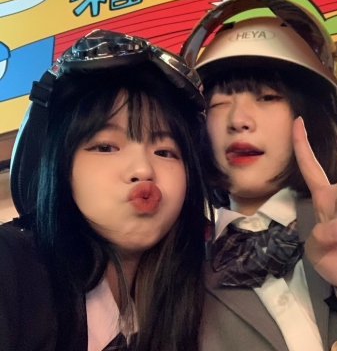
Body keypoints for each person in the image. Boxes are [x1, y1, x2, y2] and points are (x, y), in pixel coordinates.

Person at [181, 0, 337, 350]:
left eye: (267, 97)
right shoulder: (176, 272)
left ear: (312, 114)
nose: (239, 120)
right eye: (218, 103)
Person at [0, 29, 215, 351]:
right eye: (105, 147)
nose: (143, 169)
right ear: (56, 165)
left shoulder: (204, 293)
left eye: (165, 151)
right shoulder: (11, 266)